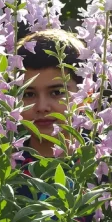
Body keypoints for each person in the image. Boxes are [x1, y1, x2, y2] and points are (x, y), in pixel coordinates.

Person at [16, 29, 85, 158]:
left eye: (57, 92)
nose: (42, 107)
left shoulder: (107, 170)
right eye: (29, 94)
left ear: (87, 95)